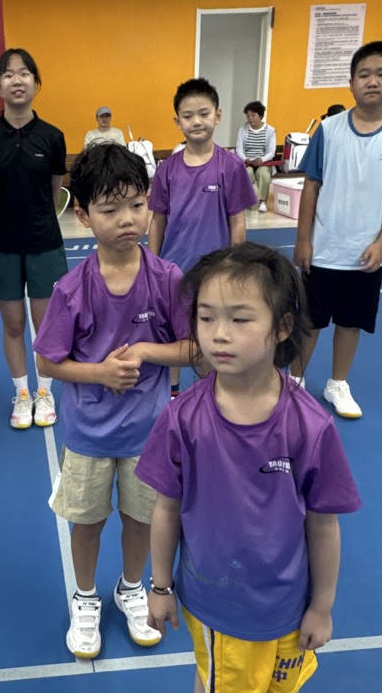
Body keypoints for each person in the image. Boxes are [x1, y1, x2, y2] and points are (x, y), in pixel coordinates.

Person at [139, 242, 359, 693]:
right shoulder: (182, 418)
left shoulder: (310, 427)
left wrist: (322, 606)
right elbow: (165, 509)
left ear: (282, 327)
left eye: (240, 318)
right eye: (206, 317)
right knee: (210, 685)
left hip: (283, 607)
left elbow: (324, 524)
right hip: (207, 598)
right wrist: (159, 586)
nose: (218, 334)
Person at [35, 145, 194, 658]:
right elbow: (47, 362)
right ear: (83, 215)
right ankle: (85, 597)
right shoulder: (71, 289)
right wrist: (100, 373)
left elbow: (194, 349)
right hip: (88, 435)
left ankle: (130, 588)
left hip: (149, 434)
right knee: (87, 522)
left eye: (137, 205)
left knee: (141, 519)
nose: (127, 219)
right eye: (110, 209)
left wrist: (146, 350)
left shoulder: (167, 279)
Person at [291, 41, 382, 419]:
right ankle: (294, 380)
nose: (372, 81)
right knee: (309, 320)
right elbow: (311, 186)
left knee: (351, 323)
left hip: (366, 253)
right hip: (323, 248)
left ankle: (337, 383)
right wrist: (303, 239)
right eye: (364, 75)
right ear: (351, 83)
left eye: (381, 74)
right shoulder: (329, 130)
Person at [0, 48, 68, 430]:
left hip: (44, 242)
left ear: (36, 83)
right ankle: (22, 393)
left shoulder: (53, 137)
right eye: (8, 74)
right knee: (12, 325)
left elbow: (54, 190)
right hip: (2, 244)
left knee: (45, 326)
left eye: (24, 73)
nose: (17, 79)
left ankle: (45, 391)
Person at [148, 77, 255, 394]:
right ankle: (173, 391)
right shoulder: (167, 169)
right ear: (177, 121)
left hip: (215, 272)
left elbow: (237, 222)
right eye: (188, 115)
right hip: (173, 272)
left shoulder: (231, 167)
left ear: (217, 116)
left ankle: (207, 391)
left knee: (211, 335)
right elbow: (157, 221)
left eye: (204, 113)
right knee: (174, 336)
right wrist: (152, 265)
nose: (196, 121)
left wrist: (234, 266)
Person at [236, 100, 278, 202]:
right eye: (248, 116)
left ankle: (262, 201)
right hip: (247, 162)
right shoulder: (242, 130)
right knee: (247, 172)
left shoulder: (270, 131)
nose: (250, 118)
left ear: (260, 115)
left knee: (264, 174)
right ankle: (245, 200)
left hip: (263, 163)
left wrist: (262, 159)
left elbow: (271, 152)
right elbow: (239, 150)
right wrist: (246, 159)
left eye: (253, 115)